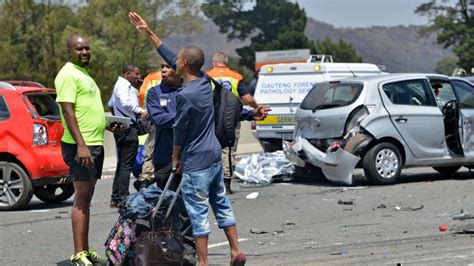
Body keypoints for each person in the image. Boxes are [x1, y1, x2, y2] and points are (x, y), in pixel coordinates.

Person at [129, 11, 253, 266]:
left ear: (183, 64)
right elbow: (172, 55)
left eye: (178, 60)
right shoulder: (206, 83)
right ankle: (234, 250)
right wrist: (149, 32)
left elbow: (180, 130)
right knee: (220, 202)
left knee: (197, 213)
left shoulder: (185, 96)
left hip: (195, 160)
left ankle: (203, 262)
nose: (173, 63)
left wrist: (176, 156)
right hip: (215, 155)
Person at [55, 34, 108, 265]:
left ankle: (85, 250)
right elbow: (68, 111)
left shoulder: (84, 74)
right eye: (79, 49)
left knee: (87, 199)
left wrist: (108, 123)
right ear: (69, 51)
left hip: (94, 143)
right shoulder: (67, 74)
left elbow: (89, 109)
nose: (85, 52)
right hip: (82, 146)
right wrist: (81, 145)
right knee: (82, 198)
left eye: (87, 48)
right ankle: (78, 254)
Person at [207, 52, 260, 194]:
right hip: (231, 117)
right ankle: (226, 184)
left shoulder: (207, 76)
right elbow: (247, 98)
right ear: (227, 63)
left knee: (211, 148)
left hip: (212, 118)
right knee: (229, 149)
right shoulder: (235, 77)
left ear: (213, 63)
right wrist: (257, 108)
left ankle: (211, 181)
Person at [108, 65, 147, 208]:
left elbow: (111, 104)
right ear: (127, 74)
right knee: (126, 165)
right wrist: (139, 111)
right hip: (128, 129)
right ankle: (123, 198)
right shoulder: (123, 86)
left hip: (121, 127)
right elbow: (125, 103)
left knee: (122, 164)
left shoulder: (123, 86)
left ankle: (116, 196)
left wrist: (117, 118)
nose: (138, 76)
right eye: (136, 73)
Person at [146, 63, 182, 190]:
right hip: (165, 157)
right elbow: (159, 119)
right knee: (166, 203)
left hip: (189, 157)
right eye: (162, 66)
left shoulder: (189, 90)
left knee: (191, 205)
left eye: (168, 66)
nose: (164, 70)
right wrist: (184, 114)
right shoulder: (154, 93)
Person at [134, 70, 162, 190]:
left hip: (152, 118)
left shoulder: (151, 77)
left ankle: (146, 178)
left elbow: (141, 95)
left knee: (150, 151)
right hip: (168, 118)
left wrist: (145, 110)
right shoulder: (176, 76)